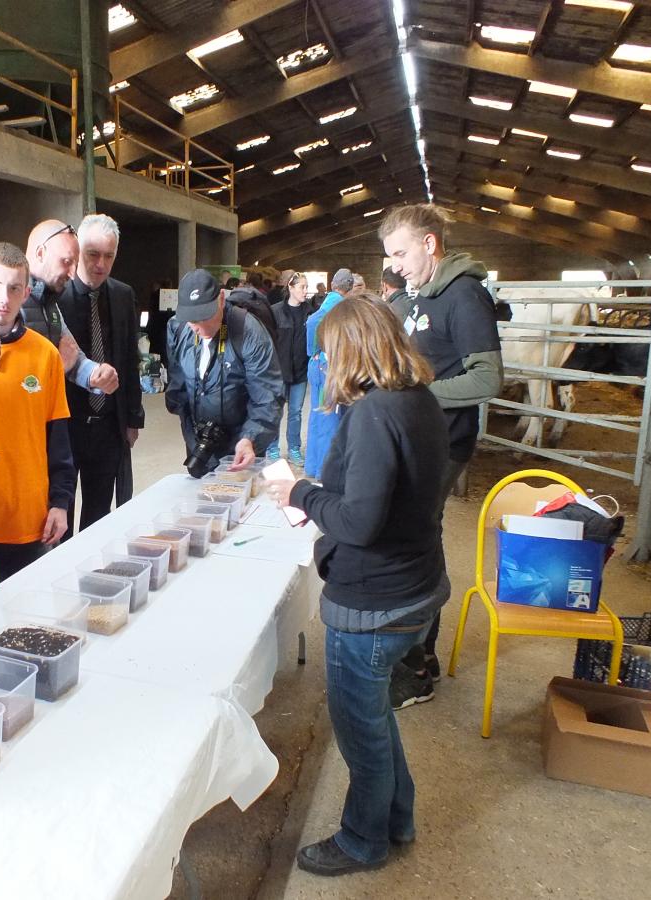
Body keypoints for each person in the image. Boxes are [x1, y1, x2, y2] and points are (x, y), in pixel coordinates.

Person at [264, 292, 449, 877]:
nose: (324, 367)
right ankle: (397, 818)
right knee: (375, 717)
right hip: (417, 586)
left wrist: (300, 493)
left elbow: (359, 522)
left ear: (350, 349)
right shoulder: (417, 399)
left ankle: (364, 840)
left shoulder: (374, 415)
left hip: (375, 604)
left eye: (327, 354)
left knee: (360, 732)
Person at [379, 203, 503, 709]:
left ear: (430, 243)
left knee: (414, 542)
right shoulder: (414, 297)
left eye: (401, 253)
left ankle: (417, 669)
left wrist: (417, 394)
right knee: (412, 538)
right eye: (390, 256)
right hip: (411, 437)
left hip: (442, 442)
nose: (396, 265)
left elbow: (487, 377)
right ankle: (415, 655)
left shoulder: (465, 295)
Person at [0, 243, 74, 596]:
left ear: (27, 292)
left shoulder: (45, 355)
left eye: (13, 288)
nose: (3, 298)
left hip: (26, 521)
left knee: (20, 623)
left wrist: (60, 503)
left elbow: (59, 441)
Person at [56, 214, 143, 533]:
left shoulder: (122, 295)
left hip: (108, 425)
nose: (101, 264)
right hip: (67, 424)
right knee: (60, 511)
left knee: (99, 513)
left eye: (109, 256)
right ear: (78, 250)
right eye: (93, 254)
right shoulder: (57, 298)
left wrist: (133, 417)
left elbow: (130, 358)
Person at [165, 269, 282, 474]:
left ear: (220, 299)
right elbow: (178, 385)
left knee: (235, 501)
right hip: (199, 442)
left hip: (240, 446)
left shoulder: (249, 332)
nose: (197, 326)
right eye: (191, 319)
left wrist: (249, 439)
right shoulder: (178, 328)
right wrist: (192, 434)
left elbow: (267, 396)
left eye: (204, 317)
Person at [22, 219, 119, 397]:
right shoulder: (6, 302)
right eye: (66, 262)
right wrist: (59, 368)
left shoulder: (48, 300)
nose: (73, 273)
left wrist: (95, 374)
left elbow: (73, 354)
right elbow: (9, 381)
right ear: (40, 253)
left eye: (75, 262)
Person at [304, 268, 354, 478]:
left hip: (315, 366)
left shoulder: (324, 302)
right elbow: (317, 323)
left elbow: (312, 323)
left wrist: (313, 352)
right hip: (329, 368)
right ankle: (326, 472)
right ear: (349, 288)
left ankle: (313, 466)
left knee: (317, 416)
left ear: (333, 284)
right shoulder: (340, 306)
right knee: (330, 420)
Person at [268, 271, 311, 465]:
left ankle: (294, 448)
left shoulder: (309, 311)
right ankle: (272, 447)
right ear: (290, 288)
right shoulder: (275, 312)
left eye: (306, 287)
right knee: (276, 411)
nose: (305, 291)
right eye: (302, 287)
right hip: (279, 372)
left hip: (300, 371)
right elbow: (268, 341)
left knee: (296, 412)